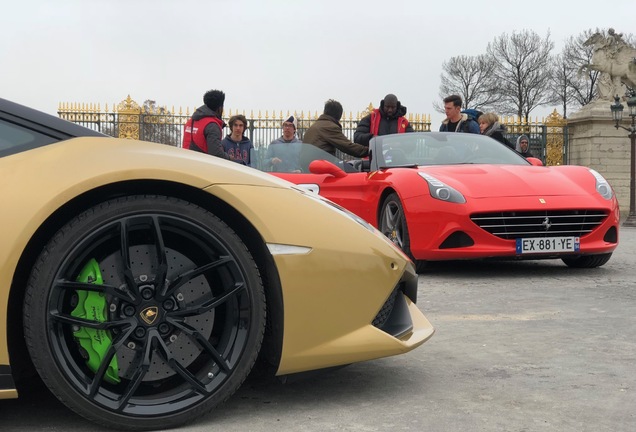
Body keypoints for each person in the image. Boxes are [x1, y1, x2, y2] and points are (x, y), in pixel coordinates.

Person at [302, 99, 369, 158]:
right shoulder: (329, 126)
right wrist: (369, 150)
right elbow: (347, 146)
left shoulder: (314, 126)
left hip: (309, 166)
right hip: (321, 166)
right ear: (339, 115)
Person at [182, 89, 229, 159]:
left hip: (186, 161)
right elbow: (216, 154)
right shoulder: (212, 125)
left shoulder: (191, 121)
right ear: (220, 108)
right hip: (202, 165)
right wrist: (231, 159)